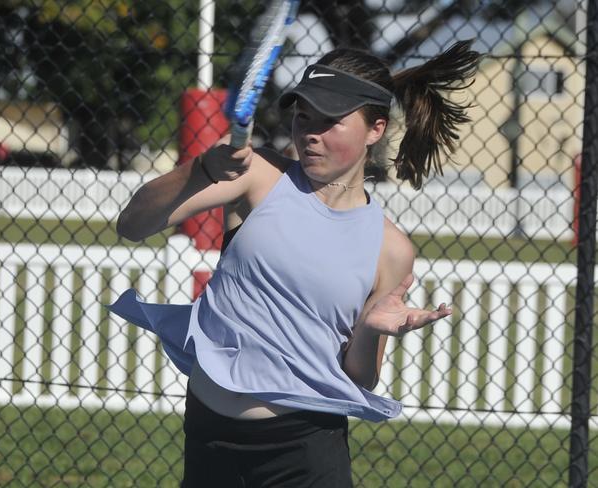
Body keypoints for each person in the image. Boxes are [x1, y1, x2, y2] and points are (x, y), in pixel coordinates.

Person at [109, 39, 480, 487]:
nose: (310, 133)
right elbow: (132, 224)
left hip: (303, 452)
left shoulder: (390, 248)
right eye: (304, 116)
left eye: (330, 122)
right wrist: (201, 169)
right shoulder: (260, 176)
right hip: (209, 435)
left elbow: (360, 377)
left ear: (376, 129)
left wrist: (368, 329)